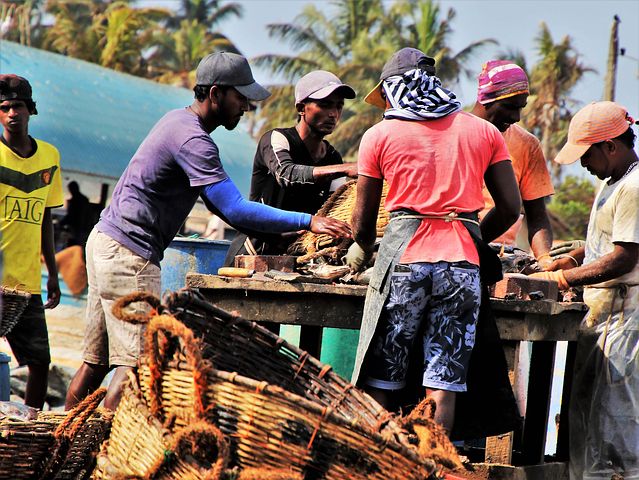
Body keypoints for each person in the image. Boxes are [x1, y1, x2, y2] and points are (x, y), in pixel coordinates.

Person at [64, 52, 350, 411]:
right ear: (215, 94)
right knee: (137, 366)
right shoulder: (194, 141)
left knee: (97, 362)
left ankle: (65, 441)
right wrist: (308, 221)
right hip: (130, 254)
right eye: (240, 97)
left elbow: (220, 209)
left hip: (106, 241)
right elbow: (234, 208)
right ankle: (100, 454)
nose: (247, 106)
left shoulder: (176, 122)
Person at [345, 47, 521, 434]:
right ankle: (437, 464)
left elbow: (362, 222)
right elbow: (511, 208)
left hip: (404, 263)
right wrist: (470, 235)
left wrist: (363, 248)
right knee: (444, 379)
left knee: (383, 375)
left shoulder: (378, 135)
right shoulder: (484, 131)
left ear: (393, 89)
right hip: (462, 269)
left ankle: (381, 462)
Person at [531, 101, 639, 480]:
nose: (582, 164)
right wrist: (574, 258)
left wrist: (562, 281)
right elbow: (607, 242)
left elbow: (623, 258)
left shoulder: (634, 187)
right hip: (604, 319)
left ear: (610, 146)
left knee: (615, 429)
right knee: (587, 421)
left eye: (587, 154)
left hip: (623, 322)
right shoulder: (614, 182)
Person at [224, 70, 357, 261]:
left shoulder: (333, 157)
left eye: (339, 106)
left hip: (296, 256)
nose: (333, 114)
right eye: (325, 105)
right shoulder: (276, 138)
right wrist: (345, 169)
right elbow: (286, 174)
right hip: (254, 252)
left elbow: (333, 205)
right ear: (301, 108)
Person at [0, 74, 62, 409]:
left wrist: (52, 272)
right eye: (5, 107)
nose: (12, 113)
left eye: (18, 106)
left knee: (39, 364)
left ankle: (31, 428)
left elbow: (46, 221)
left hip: (27, 285)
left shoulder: (49, 157)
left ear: (30, 110)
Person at [471, 60, 554, 264]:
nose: (516, 117)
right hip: (455, 247)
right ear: (485, 99)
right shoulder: (454, 133)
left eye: (521, 108)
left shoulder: (527, 144)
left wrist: (544, 259)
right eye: (509, 107)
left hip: (503, 253)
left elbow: (537, 215)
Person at [59, 180, 91, 247]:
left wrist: (60, 223)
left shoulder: (74, 201)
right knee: (79, 246)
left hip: (75, 228)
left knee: (73, 245)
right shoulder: (84, 199)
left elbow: (70, 216)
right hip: (83, 228)